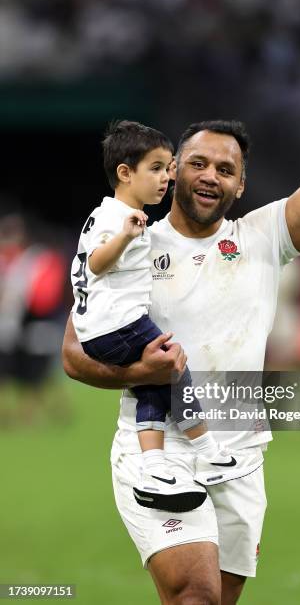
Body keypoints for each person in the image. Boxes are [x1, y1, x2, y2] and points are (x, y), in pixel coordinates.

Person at [62, 24, 300, 605]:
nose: (209, 176)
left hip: (242, 451)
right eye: (196, 162)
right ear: (171, 170)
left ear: (241, 185)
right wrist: (141, 374)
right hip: (161, 446)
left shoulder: (263, 236)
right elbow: (74, 354)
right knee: (194, 597)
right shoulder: (129, 239)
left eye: (225, 170)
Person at [71, 120, 261, 512]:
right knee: (173, 364)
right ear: (125, 173)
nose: (166, 178)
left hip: (103, 325)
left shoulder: (108, 213)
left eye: (169, 168)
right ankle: (199, 450)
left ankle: (158, 464)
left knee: (156, 383)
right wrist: (126, 235)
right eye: (156, 169)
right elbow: (95, 263)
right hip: (116, 326)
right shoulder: (118, 219)